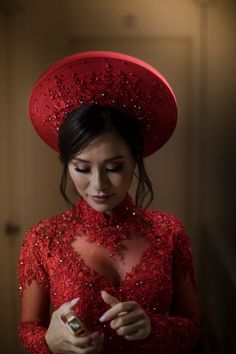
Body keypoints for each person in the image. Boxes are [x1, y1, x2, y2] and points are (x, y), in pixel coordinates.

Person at [18, 51, 200, 354]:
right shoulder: (42, 239)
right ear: (67, 164)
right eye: (82, 168)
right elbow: (28, 328)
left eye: (114, 168)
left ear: (134, 161)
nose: (98, 185)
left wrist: (154, 328)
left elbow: (193, 326)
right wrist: (50, 342)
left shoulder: (170, 232)